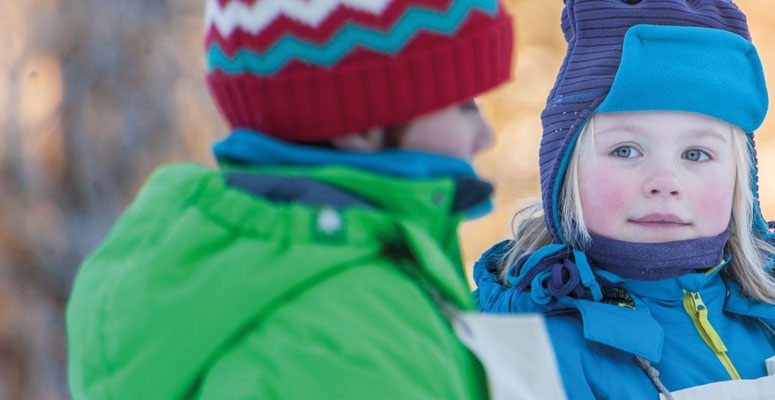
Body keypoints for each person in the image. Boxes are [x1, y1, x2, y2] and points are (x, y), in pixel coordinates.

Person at [65, 0, 513, 398]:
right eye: (464, 105)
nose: (485, 134)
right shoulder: (346, 333)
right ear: (360, 126)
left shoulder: (254, 265)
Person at [473, 0, 775, 399]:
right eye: (626, 151)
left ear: (741, 182)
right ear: (564, 175)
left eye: (696, 154)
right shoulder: (535, 353)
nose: (664, 183)